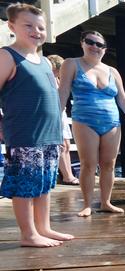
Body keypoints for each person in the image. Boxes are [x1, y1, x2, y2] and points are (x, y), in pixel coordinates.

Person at [0, 3, 74, 247]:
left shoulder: (43, 61)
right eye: (28, 25)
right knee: (25, 184)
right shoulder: (7, 56)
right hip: (24, 134)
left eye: (41, 27)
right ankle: (28, 234)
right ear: (12, 26)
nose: (36, 31)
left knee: (44, 183)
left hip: (49, 134)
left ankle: (44, 227)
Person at [58, 30, 125, 217]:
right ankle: (87, 204)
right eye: (91, 42)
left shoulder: (113, 71)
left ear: (104, 50)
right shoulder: (71, 64)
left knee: (109, 164)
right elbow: (63, 92)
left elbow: (123, 100)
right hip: (84, 120)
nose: (95, 47)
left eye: (100, 45)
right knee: (88, 163)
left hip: (112, 122)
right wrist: (56, 118)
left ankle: (106, 202)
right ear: (82, 43)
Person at [47, 54, 78, 185]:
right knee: (61, 146)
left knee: (66, 145)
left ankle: (68, 174)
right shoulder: (50, 79)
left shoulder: (57, 79)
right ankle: (67, 176)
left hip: (61, 114)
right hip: (56, 114)